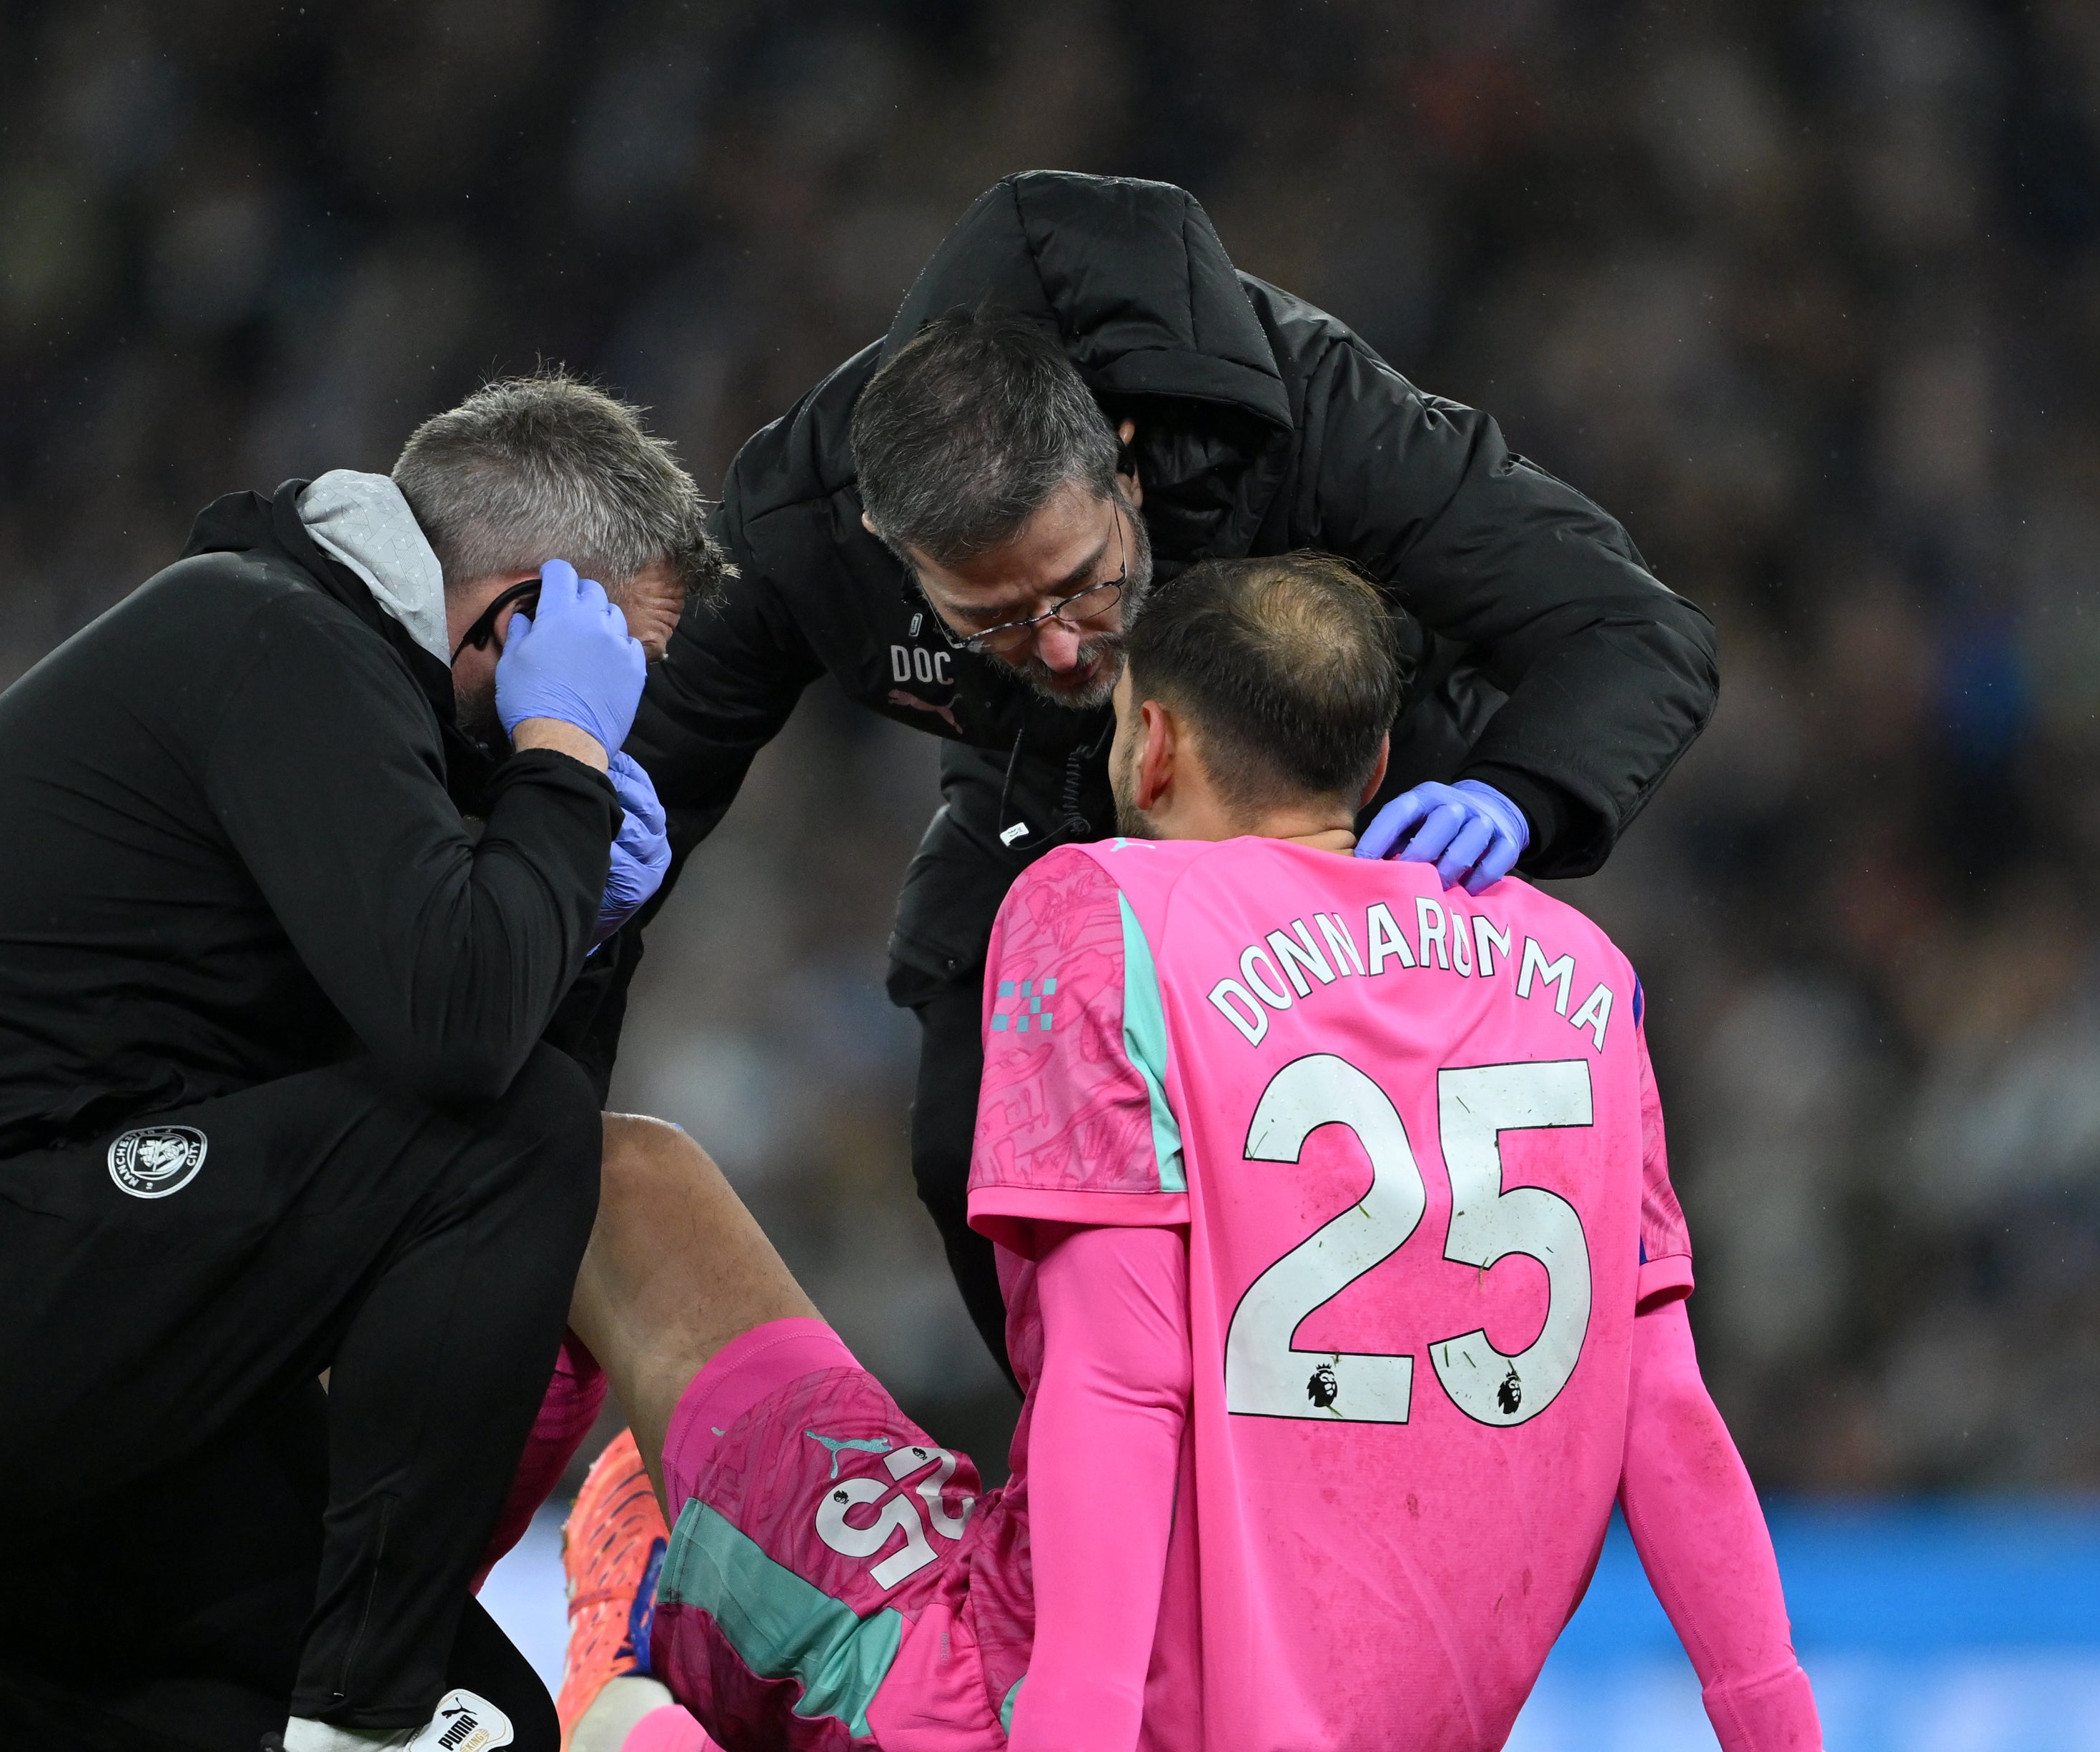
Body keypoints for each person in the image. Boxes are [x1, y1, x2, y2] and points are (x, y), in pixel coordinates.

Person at [550, 555, 2058, 1752]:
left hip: (1059, 1697)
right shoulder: (1581, 972)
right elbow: (1658, 1407)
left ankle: (568, 1703)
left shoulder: (1098, 909)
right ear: (1378, 765)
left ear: (1147, 744)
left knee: (620, 1172)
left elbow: (1121, 1370)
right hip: (1395, 1750)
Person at [0, 375, 720, 1752]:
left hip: (41, 1332)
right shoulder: (275, 643)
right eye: (617, 661)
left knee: (483, 1717)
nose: (620, 719)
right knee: (509, 1133)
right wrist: (556, 770)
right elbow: (470, 1061)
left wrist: (585, 923)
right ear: (520, 614)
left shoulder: (348, 694)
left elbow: (452, 1123)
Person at [580, 170, 1722, 1370]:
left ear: (1126, 459)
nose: (1064, 643)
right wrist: (548, 988)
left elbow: (1638, 631)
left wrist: (1515, 793)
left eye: (1081, 580)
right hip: (1044, 795)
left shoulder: (1310, 414)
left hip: (1347, 809)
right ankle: (1083, 1468)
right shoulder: (802, 521)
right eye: (993, 618)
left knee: (1306, 1158)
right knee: (969, 1148)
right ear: (888, 544)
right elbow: (646, 786)